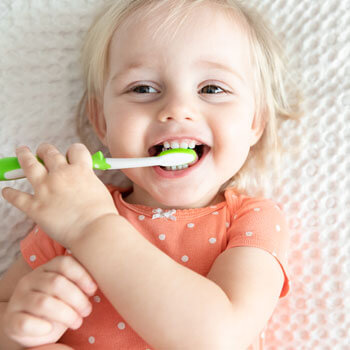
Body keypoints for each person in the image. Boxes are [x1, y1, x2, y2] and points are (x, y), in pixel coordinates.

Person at [0, 0, 303, 349]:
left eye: (212, 89)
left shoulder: (252, 220)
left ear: (255, 122)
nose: (177, 110)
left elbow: (217, 339)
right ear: (101, 121)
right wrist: (16, 328)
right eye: (143, 88)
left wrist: (92, 227)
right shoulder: (70, 209)